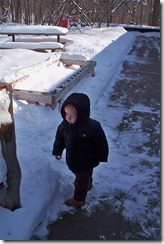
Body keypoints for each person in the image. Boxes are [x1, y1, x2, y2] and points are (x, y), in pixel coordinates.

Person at [52, 93, 109, 207]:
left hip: (87, 160)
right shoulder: (64, 126)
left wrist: (102, 156)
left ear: (82, 114)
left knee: (81, 181)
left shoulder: (93, 127)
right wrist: (57, 151)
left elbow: (101, 142)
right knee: (81, 176)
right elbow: (59, 139)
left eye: (72, 115)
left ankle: (79, 200)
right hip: (73, 159)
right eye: (66, 114)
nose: (68, 117)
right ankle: (88, 183)